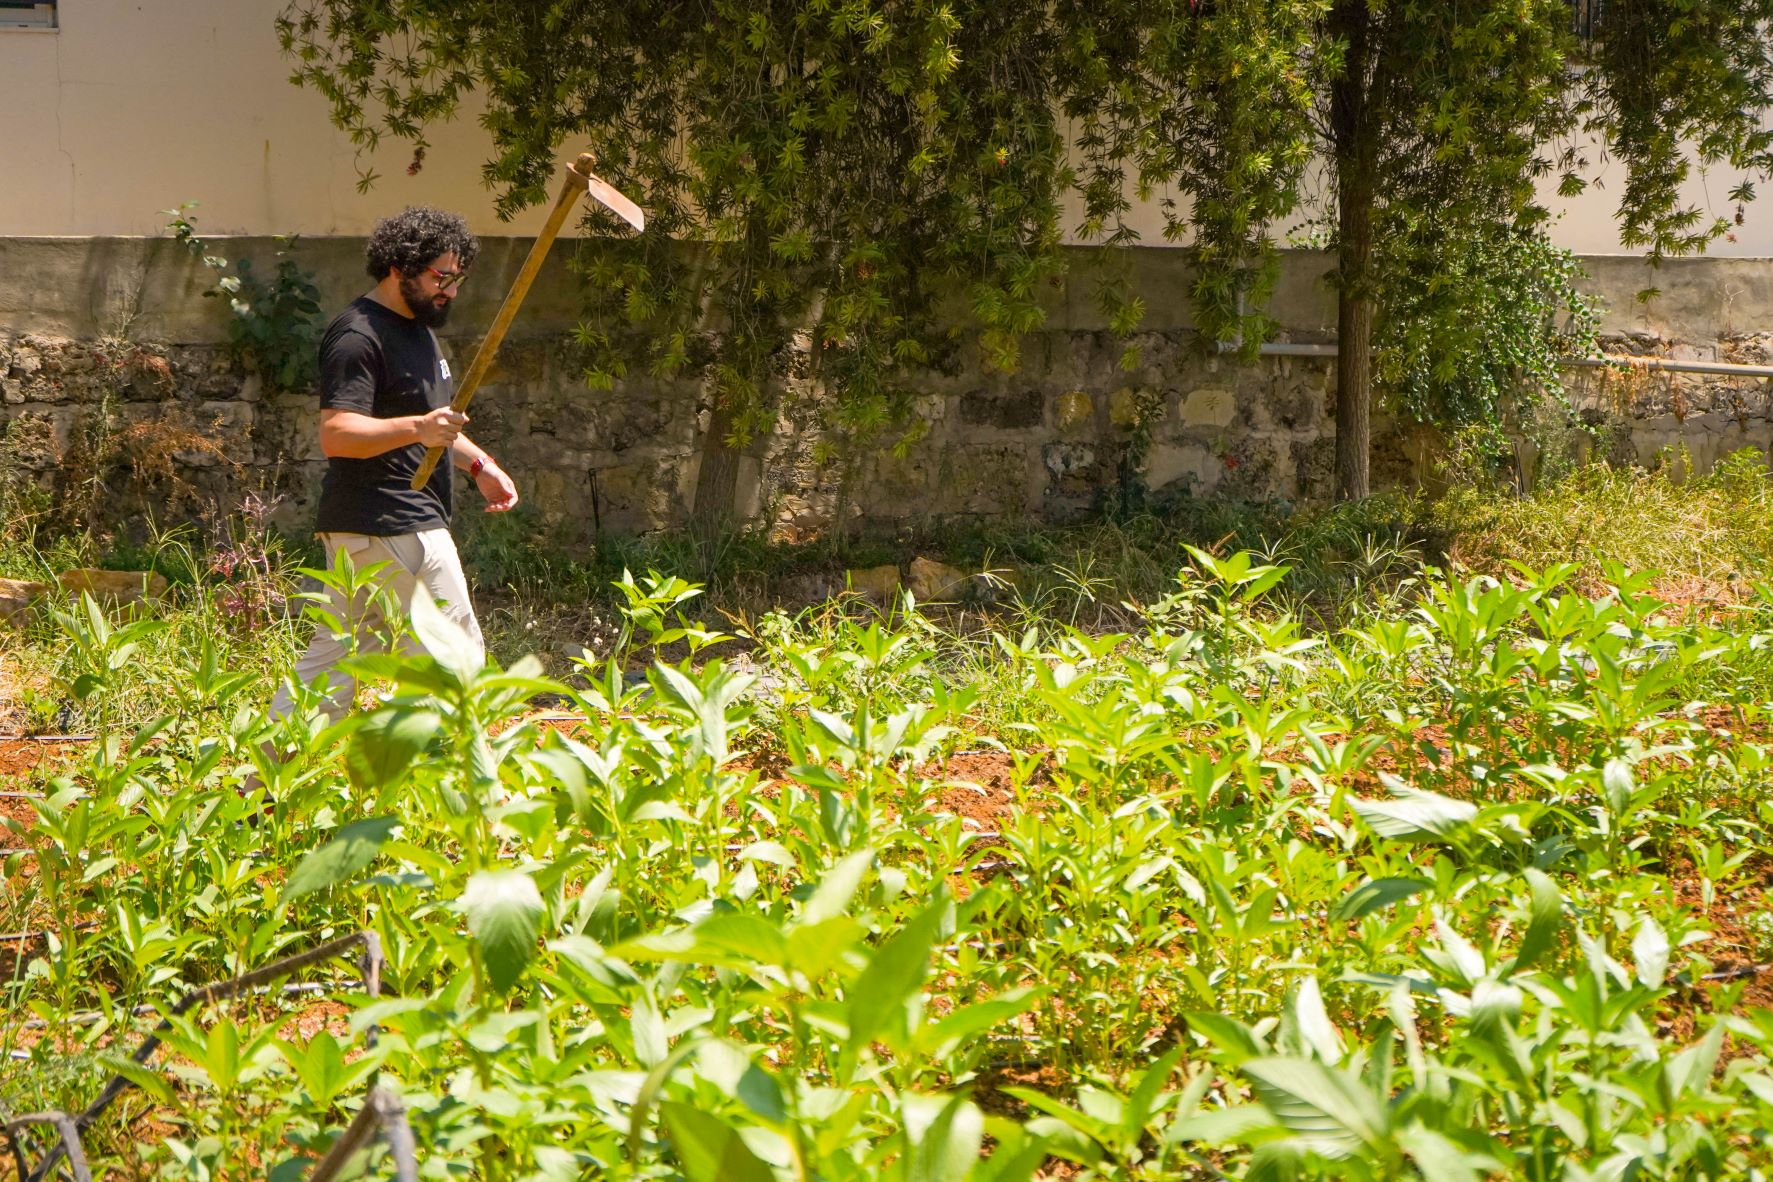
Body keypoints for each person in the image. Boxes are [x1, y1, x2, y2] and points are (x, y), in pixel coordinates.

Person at [268, 206, 519, 725]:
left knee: (329, 670)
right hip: (391, 522)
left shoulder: (420, 331)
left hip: (375, 529)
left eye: (457, 278)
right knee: (456, 664)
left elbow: (434, 426)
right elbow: (338, 435)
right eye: (439, 276)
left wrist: (479, 465)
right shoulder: (359, 336)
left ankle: (260, 795)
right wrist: (418, 429)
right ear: (399, 267)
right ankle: (466, 797)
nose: (450, 290)